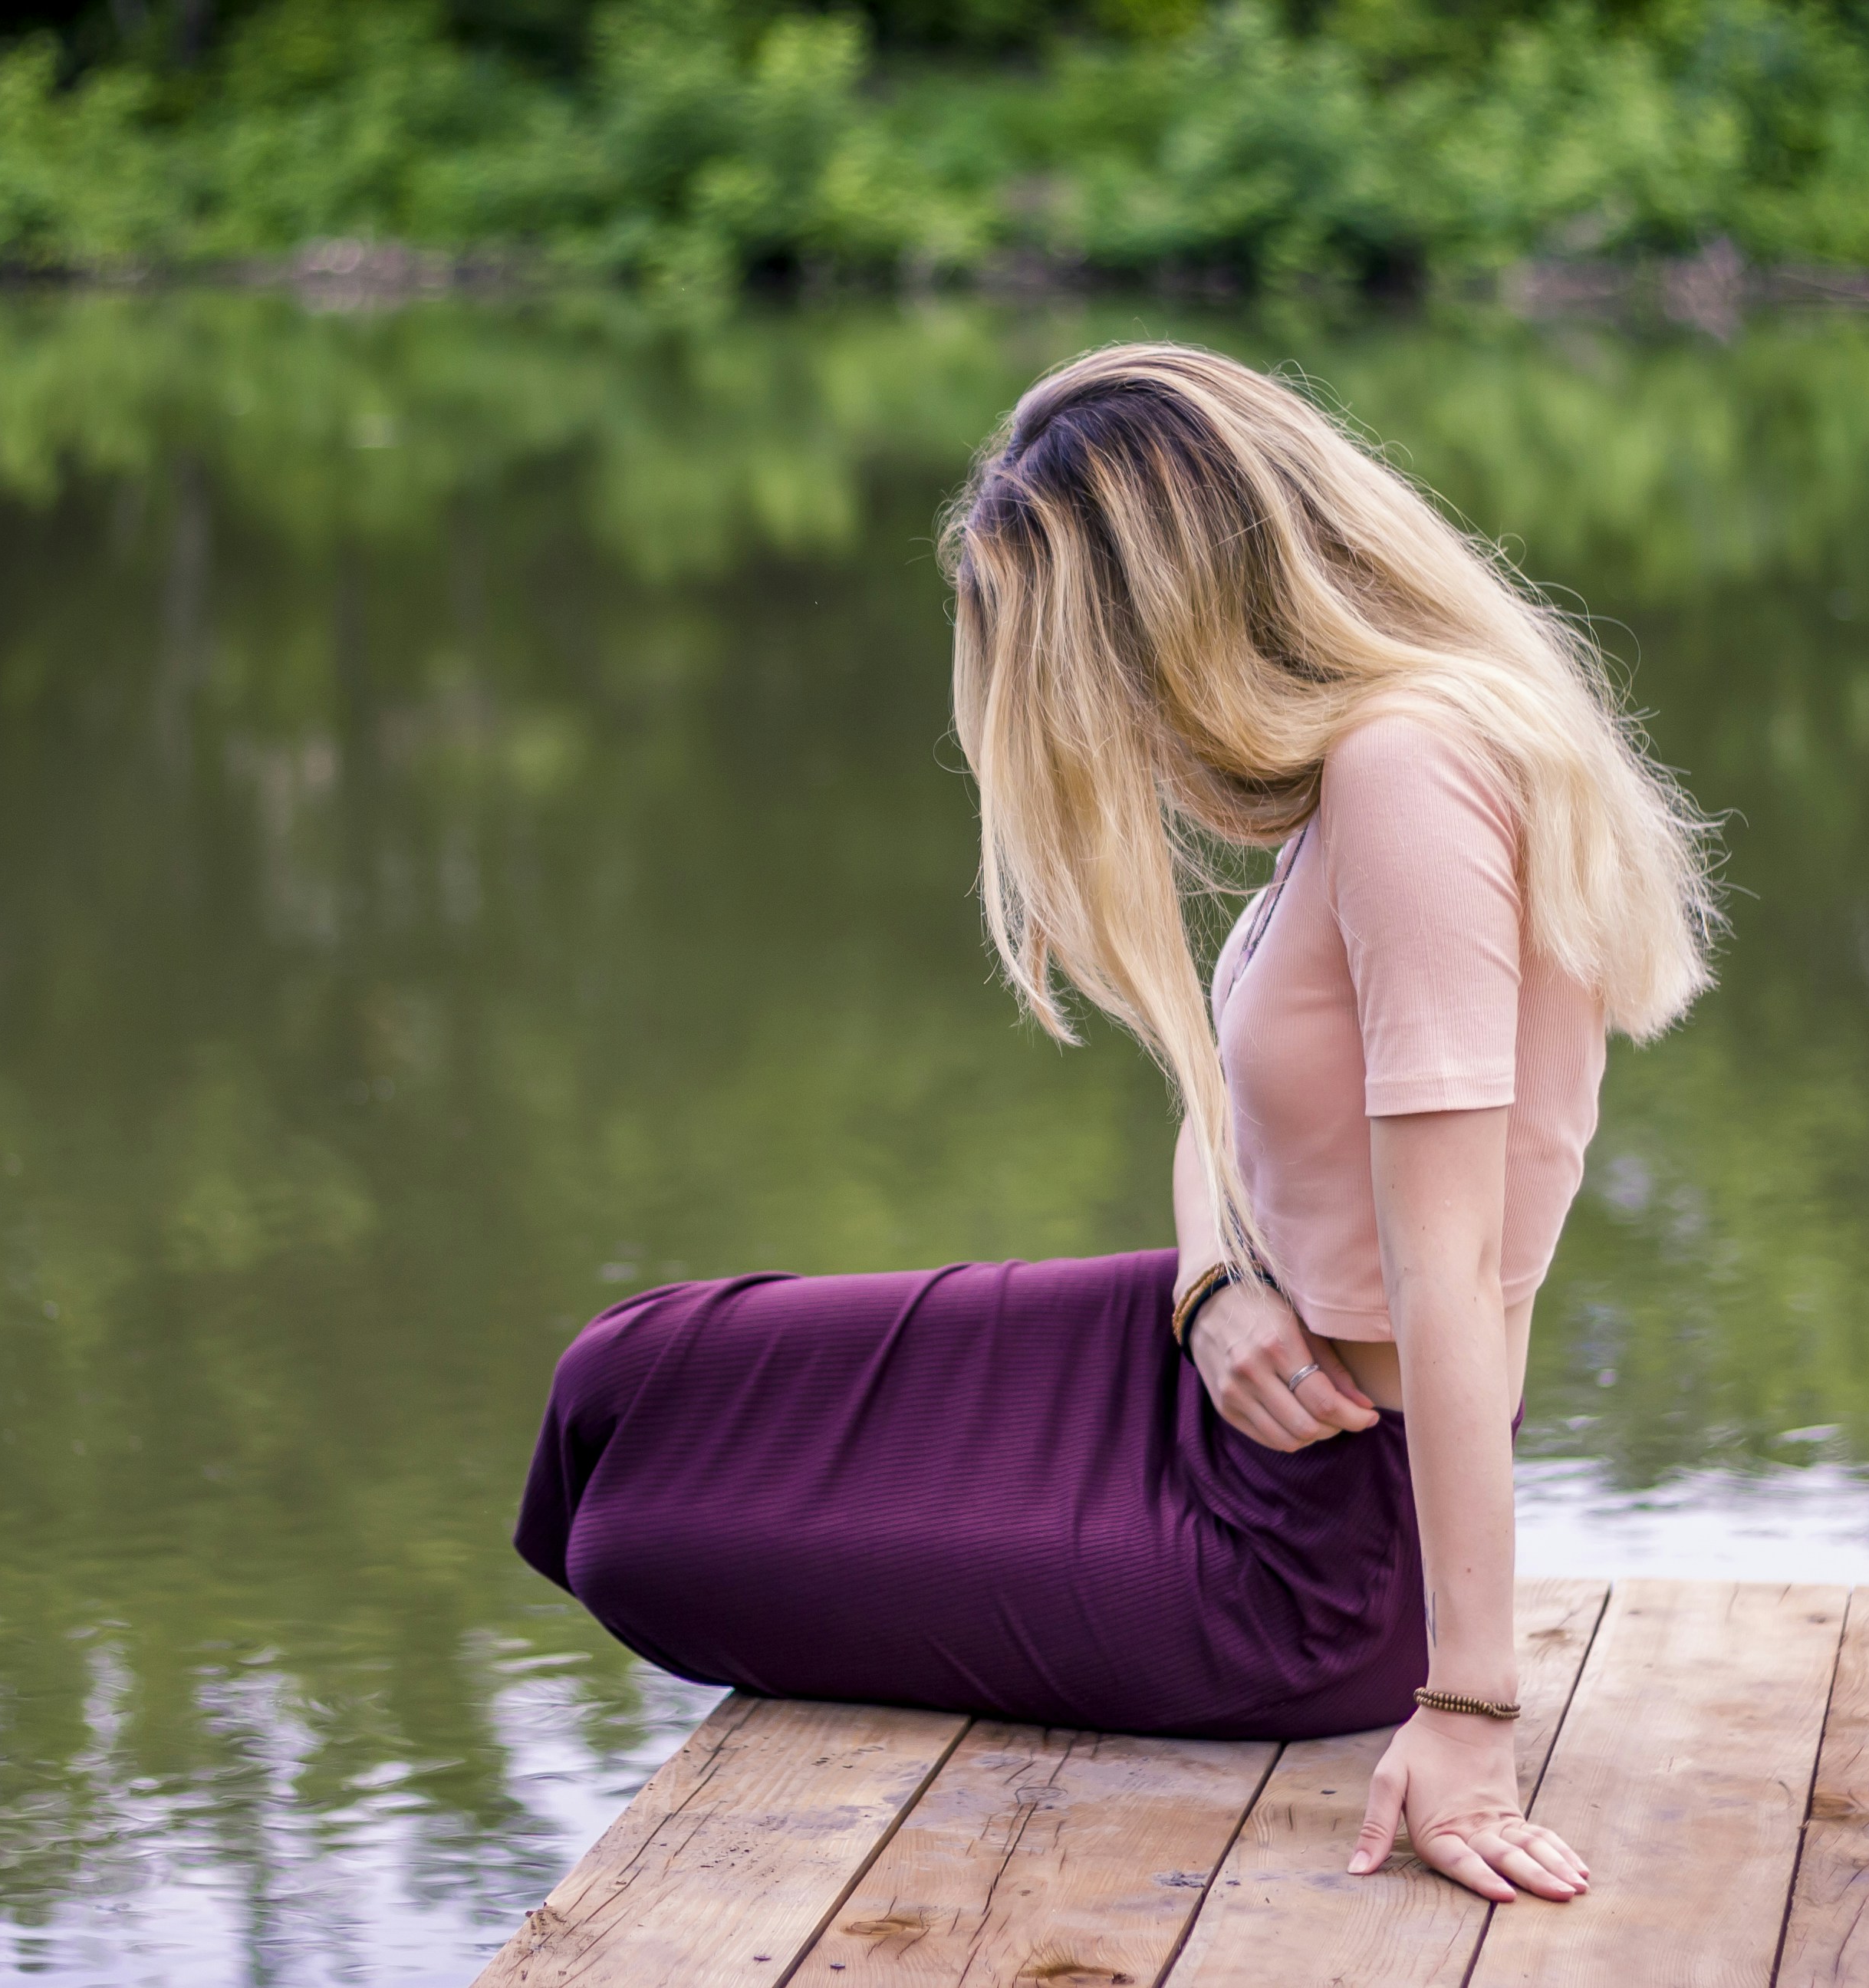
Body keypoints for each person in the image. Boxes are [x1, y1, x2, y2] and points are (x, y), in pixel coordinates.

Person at [515, 343, 1715, 1905]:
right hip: (1207, 1371)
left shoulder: (1412, 772)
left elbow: (1453, 1269)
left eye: (1096, 668)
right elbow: (1221, 1102)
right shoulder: (1363, 762)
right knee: (623, 1382)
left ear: (1183, 616)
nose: (1116, 726)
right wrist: (1210, 1286)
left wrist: (1470, 1710)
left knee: (640, 1544)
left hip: (1308, 1548)